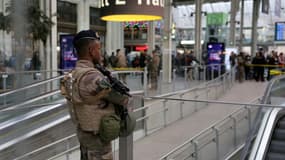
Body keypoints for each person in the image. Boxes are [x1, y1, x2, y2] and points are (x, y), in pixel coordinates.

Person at [61, 30, 130, 160]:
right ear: (92, 50)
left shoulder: (74, 73)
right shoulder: (92, 76)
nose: (100, 52)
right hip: (97, 141)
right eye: (99, 48)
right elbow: (121, 98)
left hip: (85, 136)